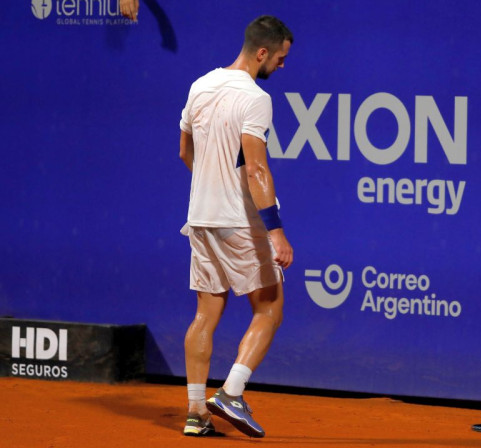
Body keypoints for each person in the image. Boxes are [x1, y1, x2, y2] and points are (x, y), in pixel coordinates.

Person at [177, 15, 294, 438]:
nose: (282, 66)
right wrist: (275, 231)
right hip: (237, 221)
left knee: (205, 314)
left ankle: (195, 412)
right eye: (280, 58)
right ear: (262, 52)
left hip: (201, 218)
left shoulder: (200, 85)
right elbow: (256, 168)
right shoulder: (255, 98)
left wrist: (210, 186)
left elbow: (184, 150)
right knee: (270, 308)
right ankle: (231, 391)